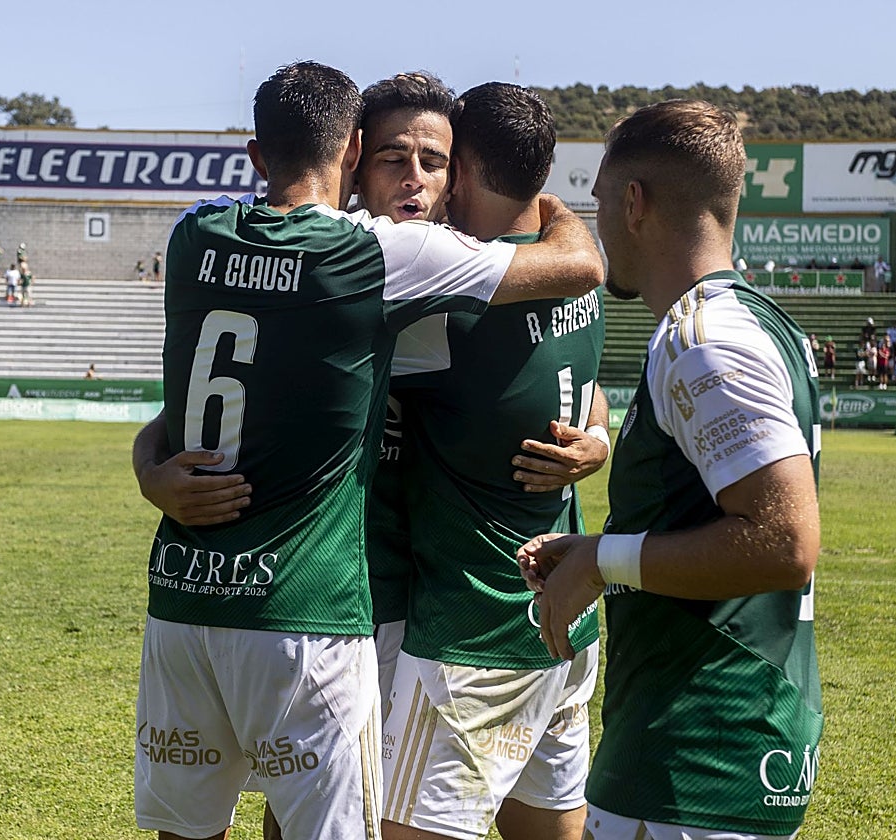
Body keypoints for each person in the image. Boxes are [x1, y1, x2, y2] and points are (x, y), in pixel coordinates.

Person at [131, 61, 602, 840]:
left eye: (434, 161)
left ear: (459, 176)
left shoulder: (426, 270)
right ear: (352, 158)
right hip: (358, 601)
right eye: (393, 156)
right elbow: (579, 267)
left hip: (421, 609)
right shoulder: (378, 264)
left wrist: (596, 434)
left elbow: (576, 375)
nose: (414, 178)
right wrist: (151, 468)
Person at [516, 100, 823, 840]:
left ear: (634, 202)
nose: (598, 224)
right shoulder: (755, 322)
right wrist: (599, 555)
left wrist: (602, 560)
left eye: (599, 202)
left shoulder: (704, 338)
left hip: (700, 751)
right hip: (712, 741)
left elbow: (785, 542)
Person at [380, 82, 607, 840]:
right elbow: (594, 391)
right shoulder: (574, 277)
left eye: (442, 162)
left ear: (468, 169)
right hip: (566, 619)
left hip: (475, 635)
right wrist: (599, 439)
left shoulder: (452, 298)